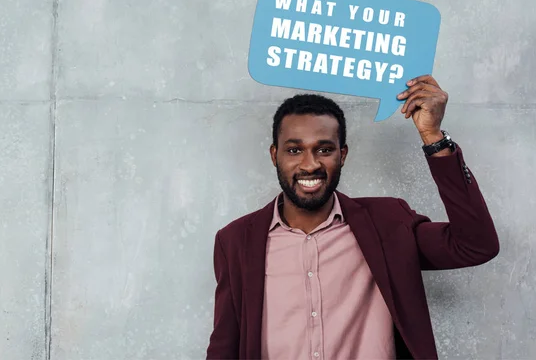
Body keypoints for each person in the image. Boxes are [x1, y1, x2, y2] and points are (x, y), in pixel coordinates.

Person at [205, 75, 499, 360]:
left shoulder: (388, 223)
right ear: (274, 155)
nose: (310, 164)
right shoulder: (235, 241)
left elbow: (475, 245)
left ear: (342, 155)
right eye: (294, 150)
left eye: (324, 149)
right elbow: (224, 348)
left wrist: (433, 138)